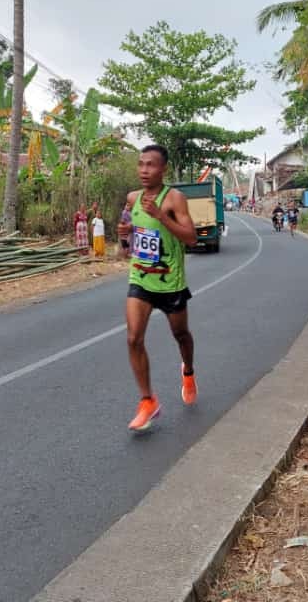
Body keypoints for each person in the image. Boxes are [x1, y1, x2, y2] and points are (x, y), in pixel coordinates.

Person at [116, 144, 199, 433]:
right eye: (140, 164)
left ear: (163, 169)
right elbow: (127, 236)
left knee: (181, 334)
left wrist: (162, 217)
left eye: (150, 165)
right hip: (140, 278)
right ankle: (147, 400)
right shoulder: (132, 198)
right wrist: (124, 238)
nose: (144, 170)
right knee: (133, 338)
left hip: (171, 282)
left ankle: (187, 371)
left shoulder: (174, 198)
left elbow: (191, 238)